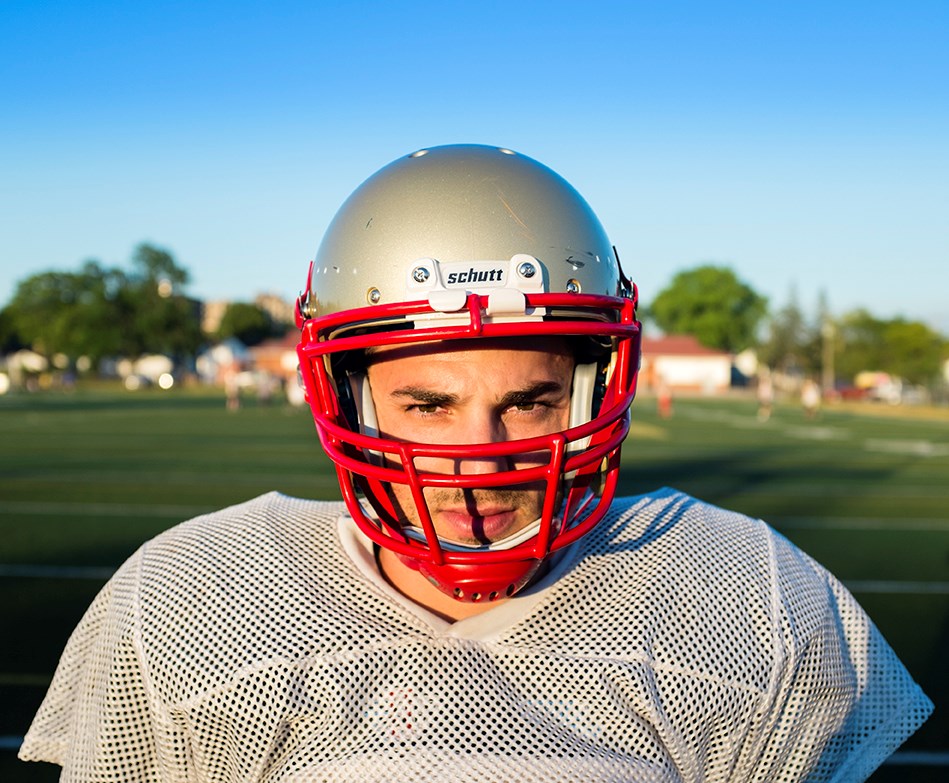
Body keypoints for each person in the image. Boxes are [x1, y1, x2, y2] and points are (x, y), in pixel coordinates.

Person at [20, 145, 931, 781]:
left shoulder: (748, 594)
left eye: (529, 401)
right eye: (427, 404)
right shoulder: (193, 595)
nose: (477, 460)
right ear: (345, 392)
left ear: (594, 385)